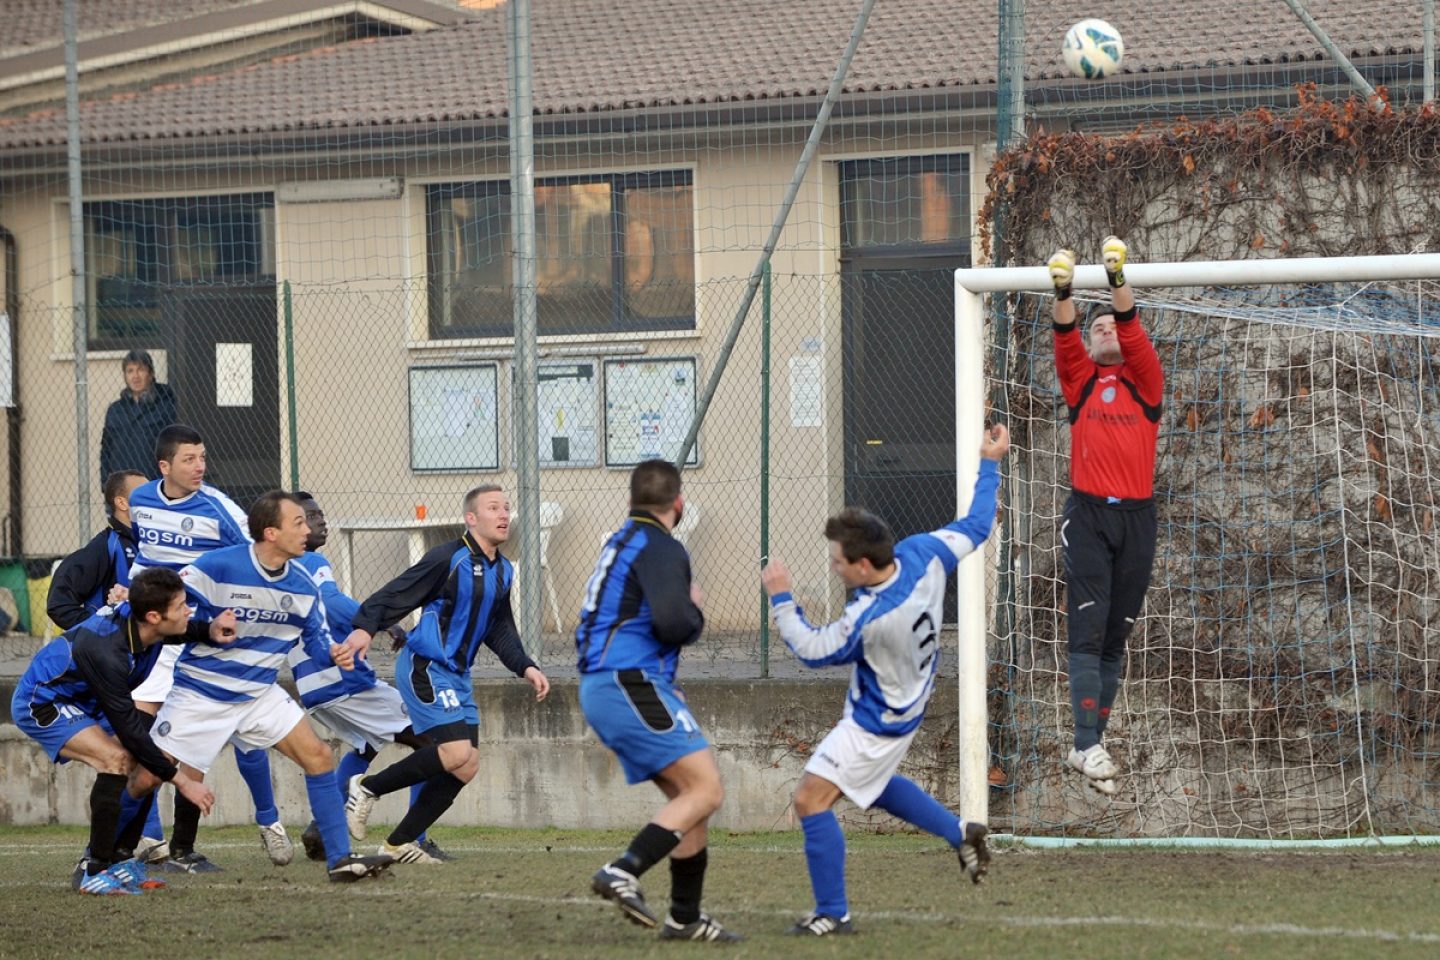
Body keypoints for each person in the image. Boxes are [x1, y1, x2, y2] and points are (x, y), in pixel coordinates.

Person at [760, 424, 1008, 936]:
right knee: (870, 786)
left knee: (811, 799)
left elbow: (811, 650)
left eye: (838, 563)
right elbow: (979, 524)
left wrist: (782, 599)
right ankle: (960, 832)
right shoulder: (924, 551)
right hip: (909, 704)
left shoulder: (872, 617)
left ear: (866, 565)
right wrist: (990, 460)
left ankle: (833, 912)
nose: (833, 569)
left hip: (877, 722)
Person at [130, 491, 394, 884]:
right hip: (202, 692)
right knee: (148, 777)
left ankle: (340, 860)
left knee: (319, 757)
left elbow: (318, 644)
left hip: (259, 694)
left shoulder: (305, 585)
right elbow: (169, 611)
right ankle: (102, 855)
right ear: (270, 532)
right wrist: (201, 626)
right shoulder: (218, 566)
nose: (308, 529)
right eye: (299, 523)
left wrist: (335, 654)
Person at [340, 485, 550, 864]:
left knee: (466, 764)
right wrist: (364, 628)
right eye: (493, 508)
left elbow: (500, 628)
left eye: (506, 508)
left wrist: (526, 665)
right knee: (455, 751)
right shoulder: (447, 559)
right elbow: (396, 593)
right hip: (427, 668)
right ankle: (366, 788)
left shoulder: (503, 571)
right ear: (472, 518)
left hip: (456, 677)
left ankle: (399, 844)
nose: (504, 515)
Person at [577, 459, 741, 943]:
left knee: (690, 800)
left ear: (631, 500)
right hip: (627, 681)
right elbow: (673, 623)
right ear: (679, 503)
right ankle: (623, 869)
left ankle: (685, 919)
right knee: (707, 789)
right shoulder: (661, 546)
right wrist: (694, 608)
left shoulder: (621, 539)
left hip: (614, 684)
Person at [127, 423, 289, 871]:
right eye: (189, 459)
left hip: (196, 635)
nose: (200, 467)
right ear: (165, 466)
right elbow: (144, 554)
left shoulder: (218, 507)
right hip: (154, 635)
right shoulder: (142, 501)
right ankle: (135, 840)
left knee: (197, 742)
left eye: (203, 458)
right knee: (138, 739)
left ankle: (184, 847)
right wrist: (127, 588)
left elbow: (258, 552)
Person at [12, 568, 233, 893]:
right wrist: (184, 782)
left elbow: (177, 631)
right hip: (45, 700)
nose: (189, 610)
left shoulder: (145, 623)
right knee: (115, 759)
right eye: (182, 606)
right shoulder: (106, 650)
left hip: (86, 701)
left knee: (149, 769)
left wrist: (210, 630)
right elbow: (129, 729)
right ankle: (93, 871)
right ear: (155, 616)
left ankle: (121, 859)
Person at [1046, 237, 1163, 796]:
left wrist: (1118, 281)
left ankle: (1087, 743)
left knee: (1116, 640)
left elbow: (1133, 330)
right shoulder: (1081, 381)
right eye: (1095, 327)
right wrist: (1064, 290)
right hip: (1088, 515)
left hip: (1138, 520)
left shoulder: (1147, 383)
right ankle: (1087, 742)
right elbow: (1065, 337)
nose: (1101, 329)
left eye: (1108, 324)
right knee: (1088, 633)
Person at [287, 491, 449, 864]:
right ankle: (414, 839)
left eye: (321, 513)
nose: (321, 521)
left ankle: (320, 829)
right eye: (311, 516)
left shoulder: (283, 568)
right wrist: (381, 621)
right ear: (290, 525)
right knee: (432, 741)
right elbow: (330, 602)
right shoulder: (311, 560)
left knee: (366, 746)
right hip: (344, 680)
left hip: (313, 686)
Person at [46, 470, 146, 630]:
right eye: (143, 494)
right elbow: (58, 605)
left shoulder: (153, 543)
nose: (152, 499)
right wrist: (104, 628)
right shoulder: (104, 547)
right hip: (117, 650)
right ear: (122, 503)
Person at [99, 349, 177, 483]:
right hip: (121, 486)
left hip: (154, 484)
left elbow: (172, 447)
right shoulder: (115, 410)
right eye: (130, 371)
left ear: (151, 374)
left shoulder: (165, 406)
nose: (135, 376)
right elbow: (106, 450)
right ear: (125, 376)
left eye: (141, 370)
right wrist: (106, 483)